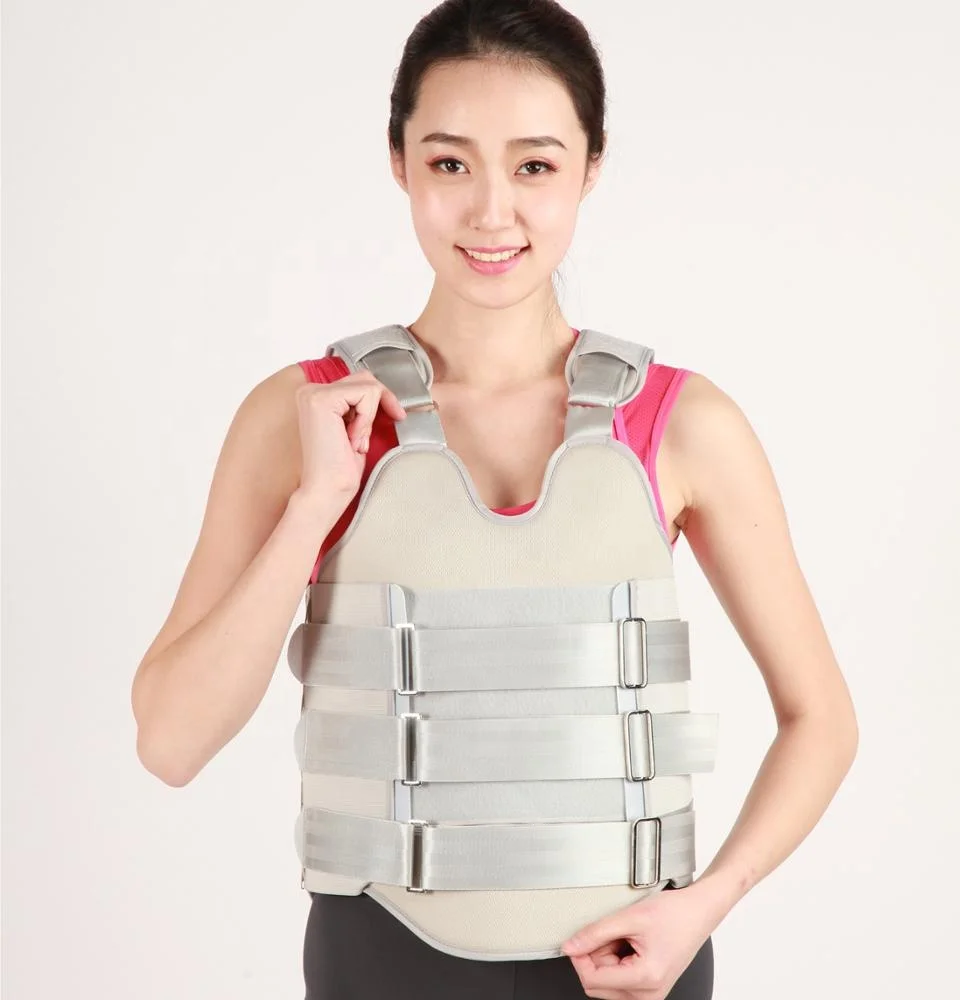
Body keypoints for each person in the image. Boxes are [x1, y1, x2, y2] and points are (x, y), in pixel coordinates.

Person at [130, 1, 859, 997]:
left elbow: (822, 718)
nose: (490, 213)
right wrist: (313, 507)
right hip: (381, 959)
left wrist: (704, 903)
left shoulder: (684, 423)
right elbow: (170, 744)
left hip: (631, 963)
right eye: (449, 163)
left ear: (590, 166)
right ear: (398, 161)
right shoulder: (304, 414)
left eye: (534, 166)